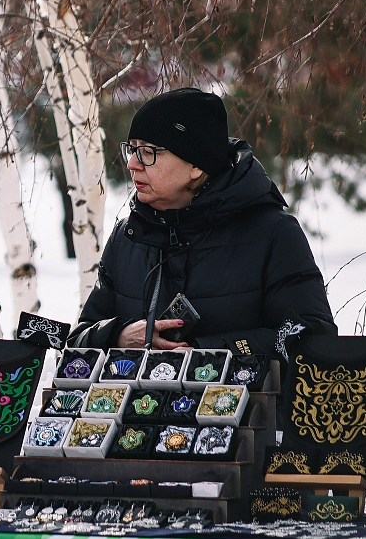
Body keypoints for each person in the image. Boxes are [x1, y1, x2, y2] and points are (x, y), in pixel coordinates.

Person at [68, 87, 336, 355]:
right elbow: (78, 339)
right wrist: (119, 335)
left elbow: (311, 338)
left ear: (196, 166)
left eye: (149, 152)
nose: (132, 164)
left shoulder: (273, 233)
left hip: (245, 398)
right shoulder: (128, 235)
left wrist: (205, 354)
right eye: (133, 149)